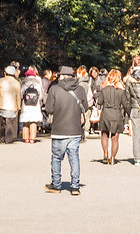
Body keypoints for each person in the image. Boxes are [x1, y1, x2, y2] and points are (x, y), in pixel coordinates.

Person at [44, 66, 88, 195]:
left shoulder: (54, 89)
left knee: (57, 158)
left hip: (59, 130)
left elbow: (49, 109)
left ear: (62, 76)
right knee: (74, 158)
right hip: (75, 130)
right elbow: (85, 107)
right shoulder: (79, 89)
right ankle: (75, 186)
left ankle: (56, 185)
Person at [96, 69, 128, 164]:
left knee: (104, 135)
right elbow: (125, 104)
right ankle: (113, 158)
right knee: (115, 138)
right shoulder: (121, 91)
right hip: (116, 114)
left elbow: (100, 102)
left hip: (106, 113)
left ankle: (105, 152)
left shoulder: (104, 89)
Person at [0, 65, 22, 144]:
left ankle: (1, 137)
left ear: (5, 73)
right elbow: (18, 96)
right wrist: (18, 106)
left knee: (1, 122)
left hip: (1, 104)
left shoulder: (0, 81)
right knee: (9, 122)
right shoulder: (17, 83)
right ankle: (9, 139)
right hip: (12, 106)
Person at [20, 67, 44, 143]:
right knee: (33, 122)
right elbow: (41, 95)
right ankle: (32, 139)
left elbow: (21, 94)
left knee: (25, 121)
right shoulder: (37, 83)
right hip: (35, 104)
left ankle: (25, 138)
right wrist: (38, 100)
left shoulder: (24, 83)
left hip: (26, 104)